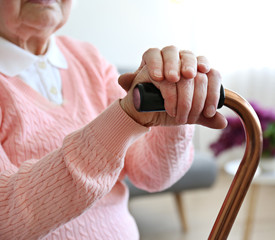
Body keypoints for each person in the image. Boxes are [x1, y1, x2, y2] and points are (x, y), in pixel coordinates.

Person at [0, 0, 227, 239]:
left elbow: (152, 174)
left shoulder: (88, 58)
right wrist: (125, 117)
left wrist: (175, 108)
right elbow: (6, 218)